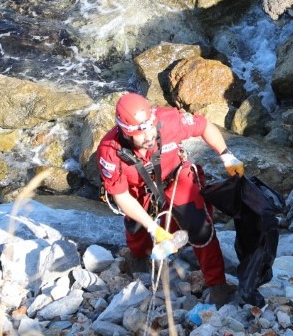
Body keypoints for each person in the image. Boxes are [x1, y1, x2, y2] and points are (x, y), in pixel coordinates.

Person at [97, 92, 245, 306]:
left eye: (149, 127)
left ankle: (217, 284)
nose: (148, 136)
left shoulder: (168, 121)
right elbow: (120, 195)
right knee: (137, 231)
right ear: (126, 133)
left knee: (199, 226)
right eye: (140, 132)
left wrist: (226, 155)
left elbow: (204, 126)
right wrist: (152, 227)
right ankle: (139, 259)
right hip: (138, 190)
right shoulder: (110, 152)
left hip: (175, 176)